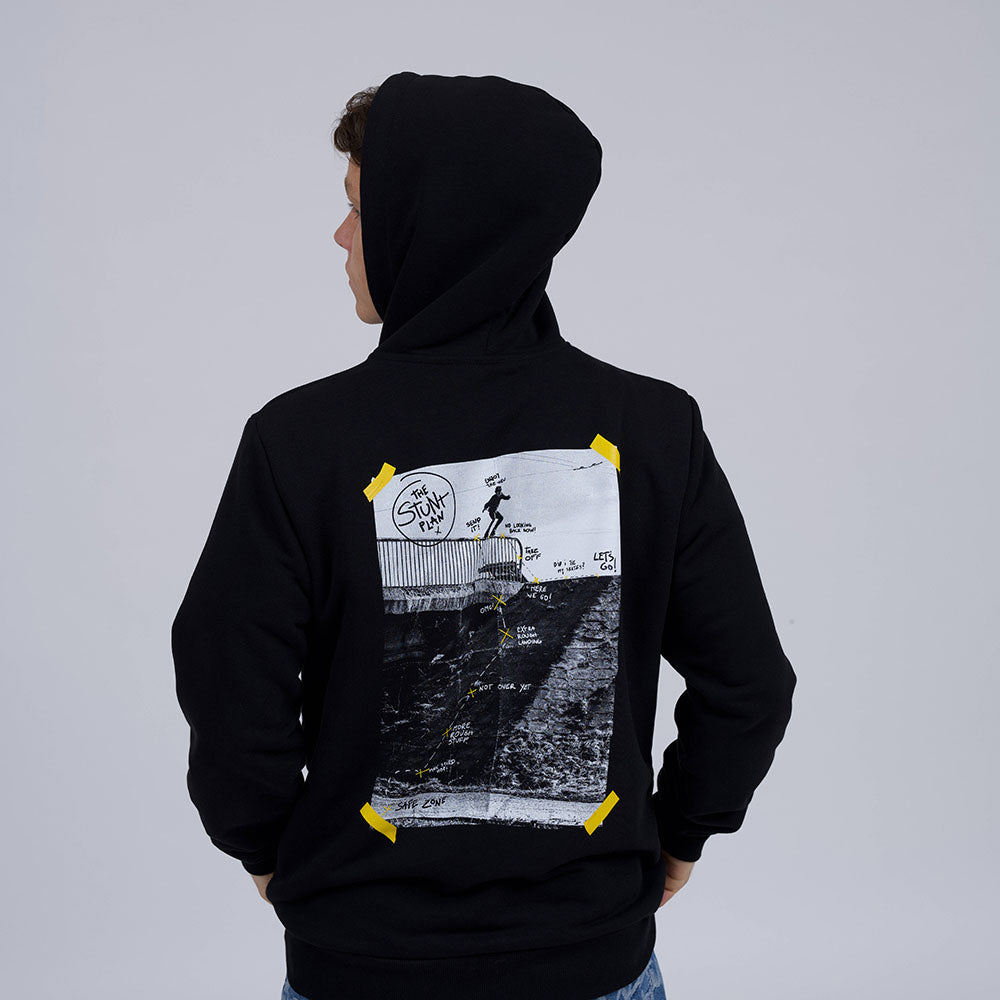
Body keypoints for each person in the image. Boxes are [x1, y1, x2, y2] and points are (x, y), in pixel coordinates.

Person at [172, 71, 796, 1000]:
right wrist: (681, 834)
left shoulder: (301, 442)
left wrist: (266, 850)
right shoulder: (653, 429)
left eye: (358, 207)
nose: (341, 236)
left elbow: (231, 687)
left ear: (428, 225)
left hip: (362, 963)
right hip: (591, 956)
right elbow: (749, 681)